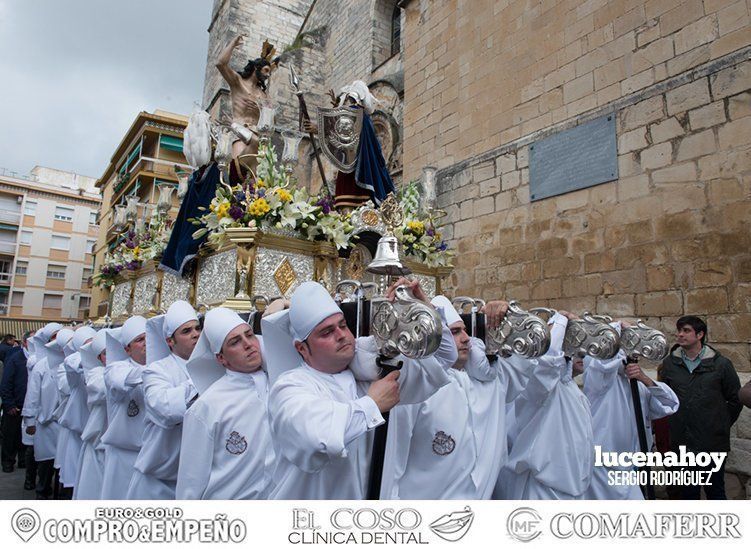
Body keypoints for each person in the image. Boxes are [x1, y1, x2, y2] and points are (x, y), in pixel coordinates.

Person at [262, 279, 457, 499]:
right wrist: (372, 404)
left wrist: (424, 310)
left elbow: (444, 358)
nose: (341, 335)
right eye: (326, 332)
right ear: (302, 349)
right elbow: (317, 436)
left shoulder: (368, 372)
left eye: (343, 325)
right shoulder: (290, 387)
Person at [380, 296, 533, 499]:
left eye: (464, 330)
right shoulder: (417, 389)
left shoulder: (491, 382)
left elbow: (529, 357)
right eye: (454, 332)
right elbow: (393, 467)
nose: (466, 338)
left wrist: (508, 314)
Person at [176, 307, 274, 499]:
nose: (248, 345)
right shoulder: (207, 406)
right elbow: (191, 481)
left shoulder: (278, 382)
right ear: (221, 358)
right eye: (235, 342)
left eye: (250, 335)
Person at [495, 311, 595, 500]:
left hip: (575, 490)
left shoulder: (572, 389)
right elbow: (547, 361)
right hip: (543, 491)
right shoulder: (540, 388)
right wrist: (560, 321)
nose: (580, 355)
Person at [582, 321, 679, 499]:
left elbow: (669, 403)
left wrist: (644, 378)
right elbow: (601, 363)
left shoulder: (638, 385)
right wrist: (617, 328)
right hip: (604, 464)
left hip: (633, 461)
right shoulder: (600, 382)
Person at [660, 315, 742, 499]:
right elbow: (665, 398)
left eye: (686, 331)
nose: (680, 335)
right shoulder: (669, 364)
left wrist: (719, 423)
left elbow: (736, 400)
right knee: (687, 494)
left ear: (700, 334)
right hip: (681, 443)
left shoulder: (721, 365)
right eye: (679, 330)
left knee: (715, 492)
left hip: (712, 443)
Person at [128, 302, 201, 499]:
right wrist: (204, 376)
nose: (195, 334)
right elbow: (166, 409)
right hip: (157, 483)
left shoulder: (213, 366)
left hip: (196, 481)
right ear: (170, 341)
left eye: (197, 328)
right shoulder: (156, 370)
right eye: (186, 331)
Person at [304, 80, 396, 211]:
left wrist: (317, 128)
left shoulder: (354, 112)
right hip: (365, 170)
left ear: (350, 97)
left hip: (352, 171)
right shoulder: (365, 118)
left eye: (346, 97)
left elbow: (342, 132)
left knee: (347, 207)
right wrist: (337, 110)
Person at [100, 316, 147, 499]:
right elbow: (123, 381)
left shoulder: (162, 367)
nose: (146, 343)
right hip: (124, 457)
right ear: (127, 349)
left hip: (153, 457)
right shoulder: (115, 368)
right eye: (139, 340)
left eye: (149, 337)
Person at [216, 34, 279, 165]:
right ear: (256, 68)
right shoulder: (238, 83)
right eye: (266, 71)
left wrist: (259, 111)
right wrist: (233, 44)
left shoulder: (264, 96)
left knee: (256, 178)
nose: (267, 75)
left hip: (258, 136)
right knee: (240, 168)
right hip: (238, 131)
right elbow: (220, 64)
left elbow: (273, 122)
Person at [57, 327, 97, 497]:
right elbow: (71, 365)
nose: (92, 349)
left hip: (97, 437)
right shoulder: (70, 365)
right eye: (88, 346)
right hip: (77, 434)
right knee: (72, 482)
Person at [73, 329, 109, 500]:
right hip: (98, 445)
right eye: (106, 353)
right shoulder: (96, 374)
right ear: (99, 358)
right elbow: (104, 388)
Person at [0, 331, 34, 474]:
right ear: (25, 342)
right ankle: (8, 461)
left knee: (24, 435)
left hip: (28, 405)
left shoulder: (38, 359)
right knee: (10, 435)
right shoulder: (15, 358)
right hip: (15, 404)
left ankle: (22, 460)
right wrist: (9, 403)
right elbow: (6, 383)